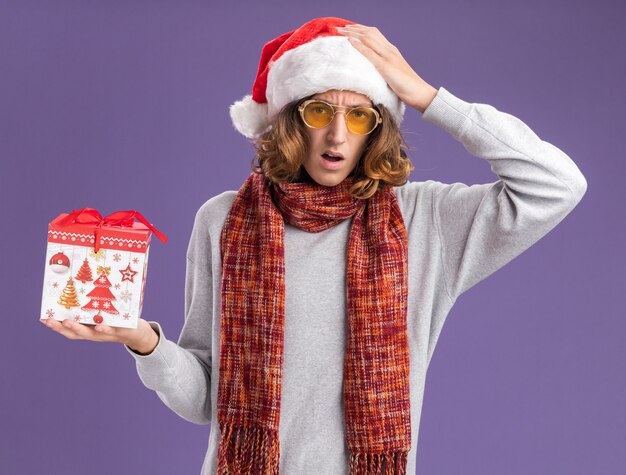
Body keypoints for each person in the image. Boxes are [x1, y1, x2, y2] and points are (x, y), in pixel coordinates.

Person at [41, 16, 587, 475]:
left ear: (377, 128)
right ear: (289, 121)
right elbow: (204, 399)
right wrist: (142, 340)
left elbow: (556, 184)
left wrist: (427, 97)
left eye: (360, 114)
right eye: (319, 111)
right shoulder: (224, 221)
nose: (337, 135)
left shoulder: (423, 221)